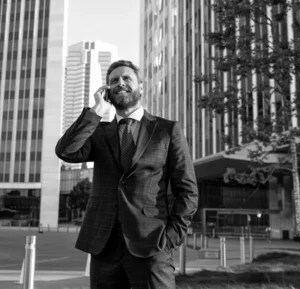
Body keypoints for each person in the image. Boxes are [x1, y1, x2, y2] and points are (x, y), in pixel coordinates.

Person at [55, 60, 199, 289]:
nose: (120, 83)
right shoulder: (98, 131)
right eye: (113, 81)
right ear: (108, 91)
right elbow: (66, 151)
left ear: (140, 86)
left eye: (126, 78)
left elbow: (187, 189)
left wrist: (173, 235)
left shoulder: (167, 130)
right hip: (104, 245)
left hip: (153, 243)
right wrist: (95, 112)